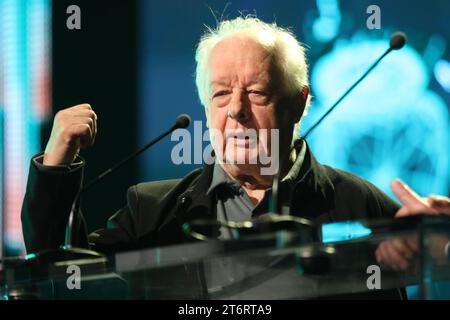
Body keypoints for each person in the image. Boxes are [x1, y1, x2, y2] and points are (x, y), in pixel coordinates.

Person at [21, 17, 450, 298]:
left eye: (257, 93)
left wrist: (439, 239)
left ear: (299, 103)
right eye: (221, 94)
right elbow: (61, 278)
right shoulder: (153, 210)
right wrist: (56, 164)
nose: (236, 111)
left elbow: (430, 257)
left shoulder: (361, 204)